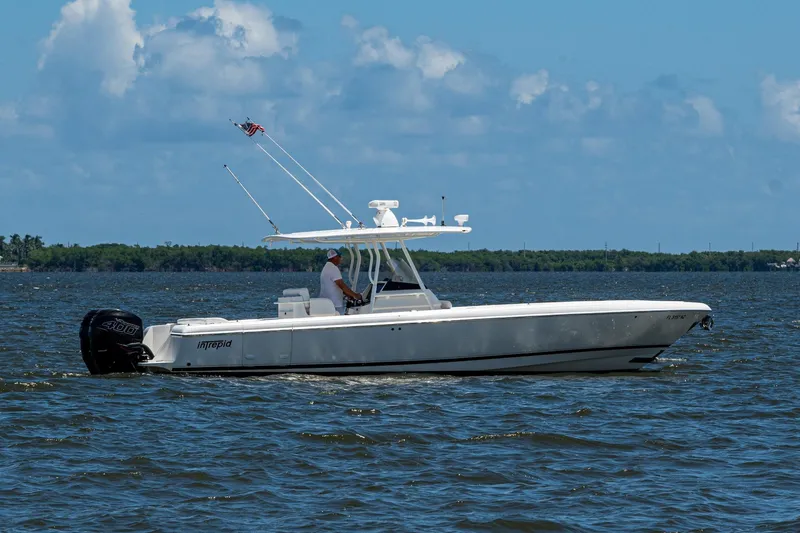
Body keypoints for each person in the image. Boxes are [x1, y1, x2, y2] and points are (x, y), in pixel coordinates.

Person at [320, 249, 361, 314]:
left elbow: (336, 286)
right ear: (335, 257)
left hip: (328, 303)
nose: (341, 259)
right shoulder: (333, 268)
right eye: (340, 257)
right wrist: (355, 295)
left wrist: (349, 295)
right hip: (334, 304)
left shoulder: (326, 267)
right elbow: (341, 285)